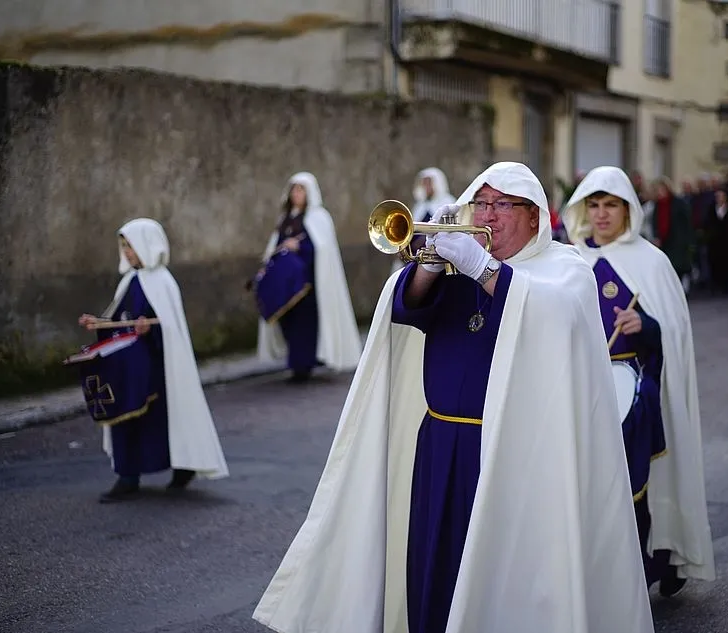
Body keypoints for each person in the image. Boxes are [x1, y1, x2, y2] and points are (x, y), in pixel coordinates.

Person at [253, 162, 654, 633]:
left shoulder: (565, 268)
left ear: (533, 215)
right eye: (480, 203)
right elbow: (405, 308)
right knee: (434, 566)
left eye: (502, 205)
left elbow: (554, 315)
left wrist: (484, 270)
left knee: (500, 580)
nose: (488, 215)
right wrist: (427, 265)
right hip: (440, 446)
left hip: (514, 452)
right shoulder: (457, 269)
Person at [563, 166, 716, 596]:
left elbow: (674, 332)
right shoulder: (569, 261)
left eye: (611, 205)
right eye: (594, 205)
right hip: (584, 389)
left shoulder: (651, 262)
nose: (601, 214)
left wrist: (645, 325)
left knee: (640, 486)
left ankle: (655, 561)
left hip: (638, 389)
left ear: (628, 210)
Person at [78, 218, 229, 502]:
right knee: (124, 417)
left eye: (131, 246)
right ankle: (127, 476)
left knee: (163, 420)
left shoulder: (163, 283)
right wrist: (98, 323)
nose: (127, 252)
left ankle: (183, 466)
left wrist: (151, 329)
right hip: (128, 368)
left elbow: (170, 331)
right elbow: (119, 321)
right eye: (124, 246)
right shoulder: (128, 281)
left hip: (156, 369)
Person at [256, 172, 362, 382]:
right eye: (294, 190)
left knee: (304, 325)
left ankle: (302, 366)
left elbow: (321, 249)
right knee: (288, 322)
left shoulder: (318, 218)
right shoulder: (286, 218)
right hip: (286, 285)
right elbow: (275, 246)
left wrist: (300, 246)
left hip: (307, 285)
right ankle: (297, 362)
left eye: (301, 190)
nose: (296, 194)